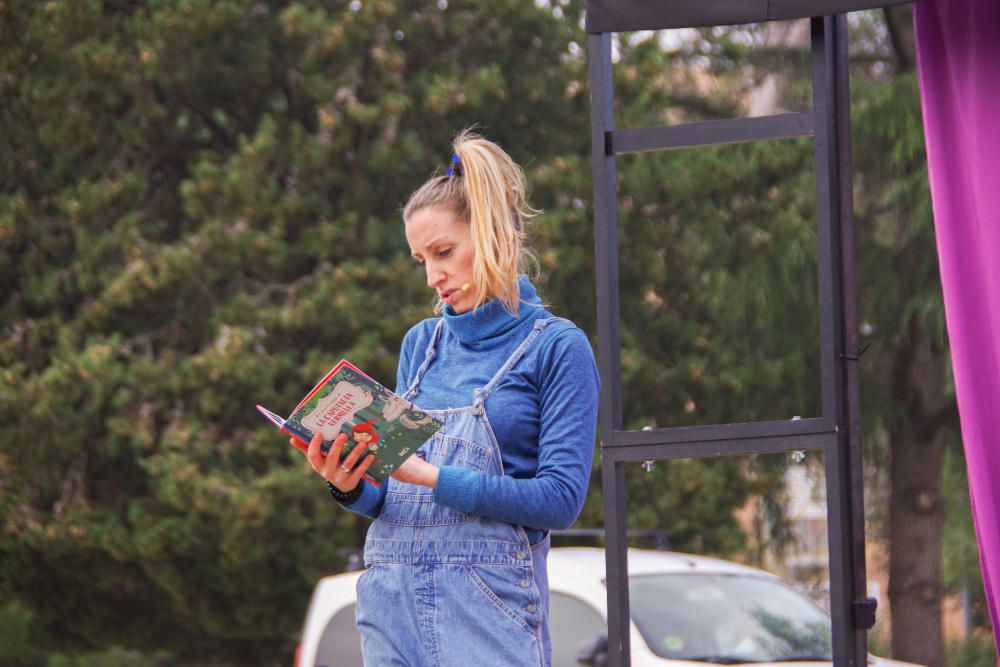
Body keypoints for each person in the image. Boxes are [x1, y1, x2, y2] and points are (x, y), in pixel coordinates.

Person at [289, 129, 600, 666]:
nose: (433, 276)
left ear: (496, 233)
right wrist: (350, 487)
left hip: (489, 610)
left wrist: (434, 478)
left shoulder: (557, 347)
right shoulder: (421, 345)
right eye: (421, 260)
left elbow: (559, 501)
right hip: (391, 604)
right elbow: (395, 498)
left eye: (444, 252)